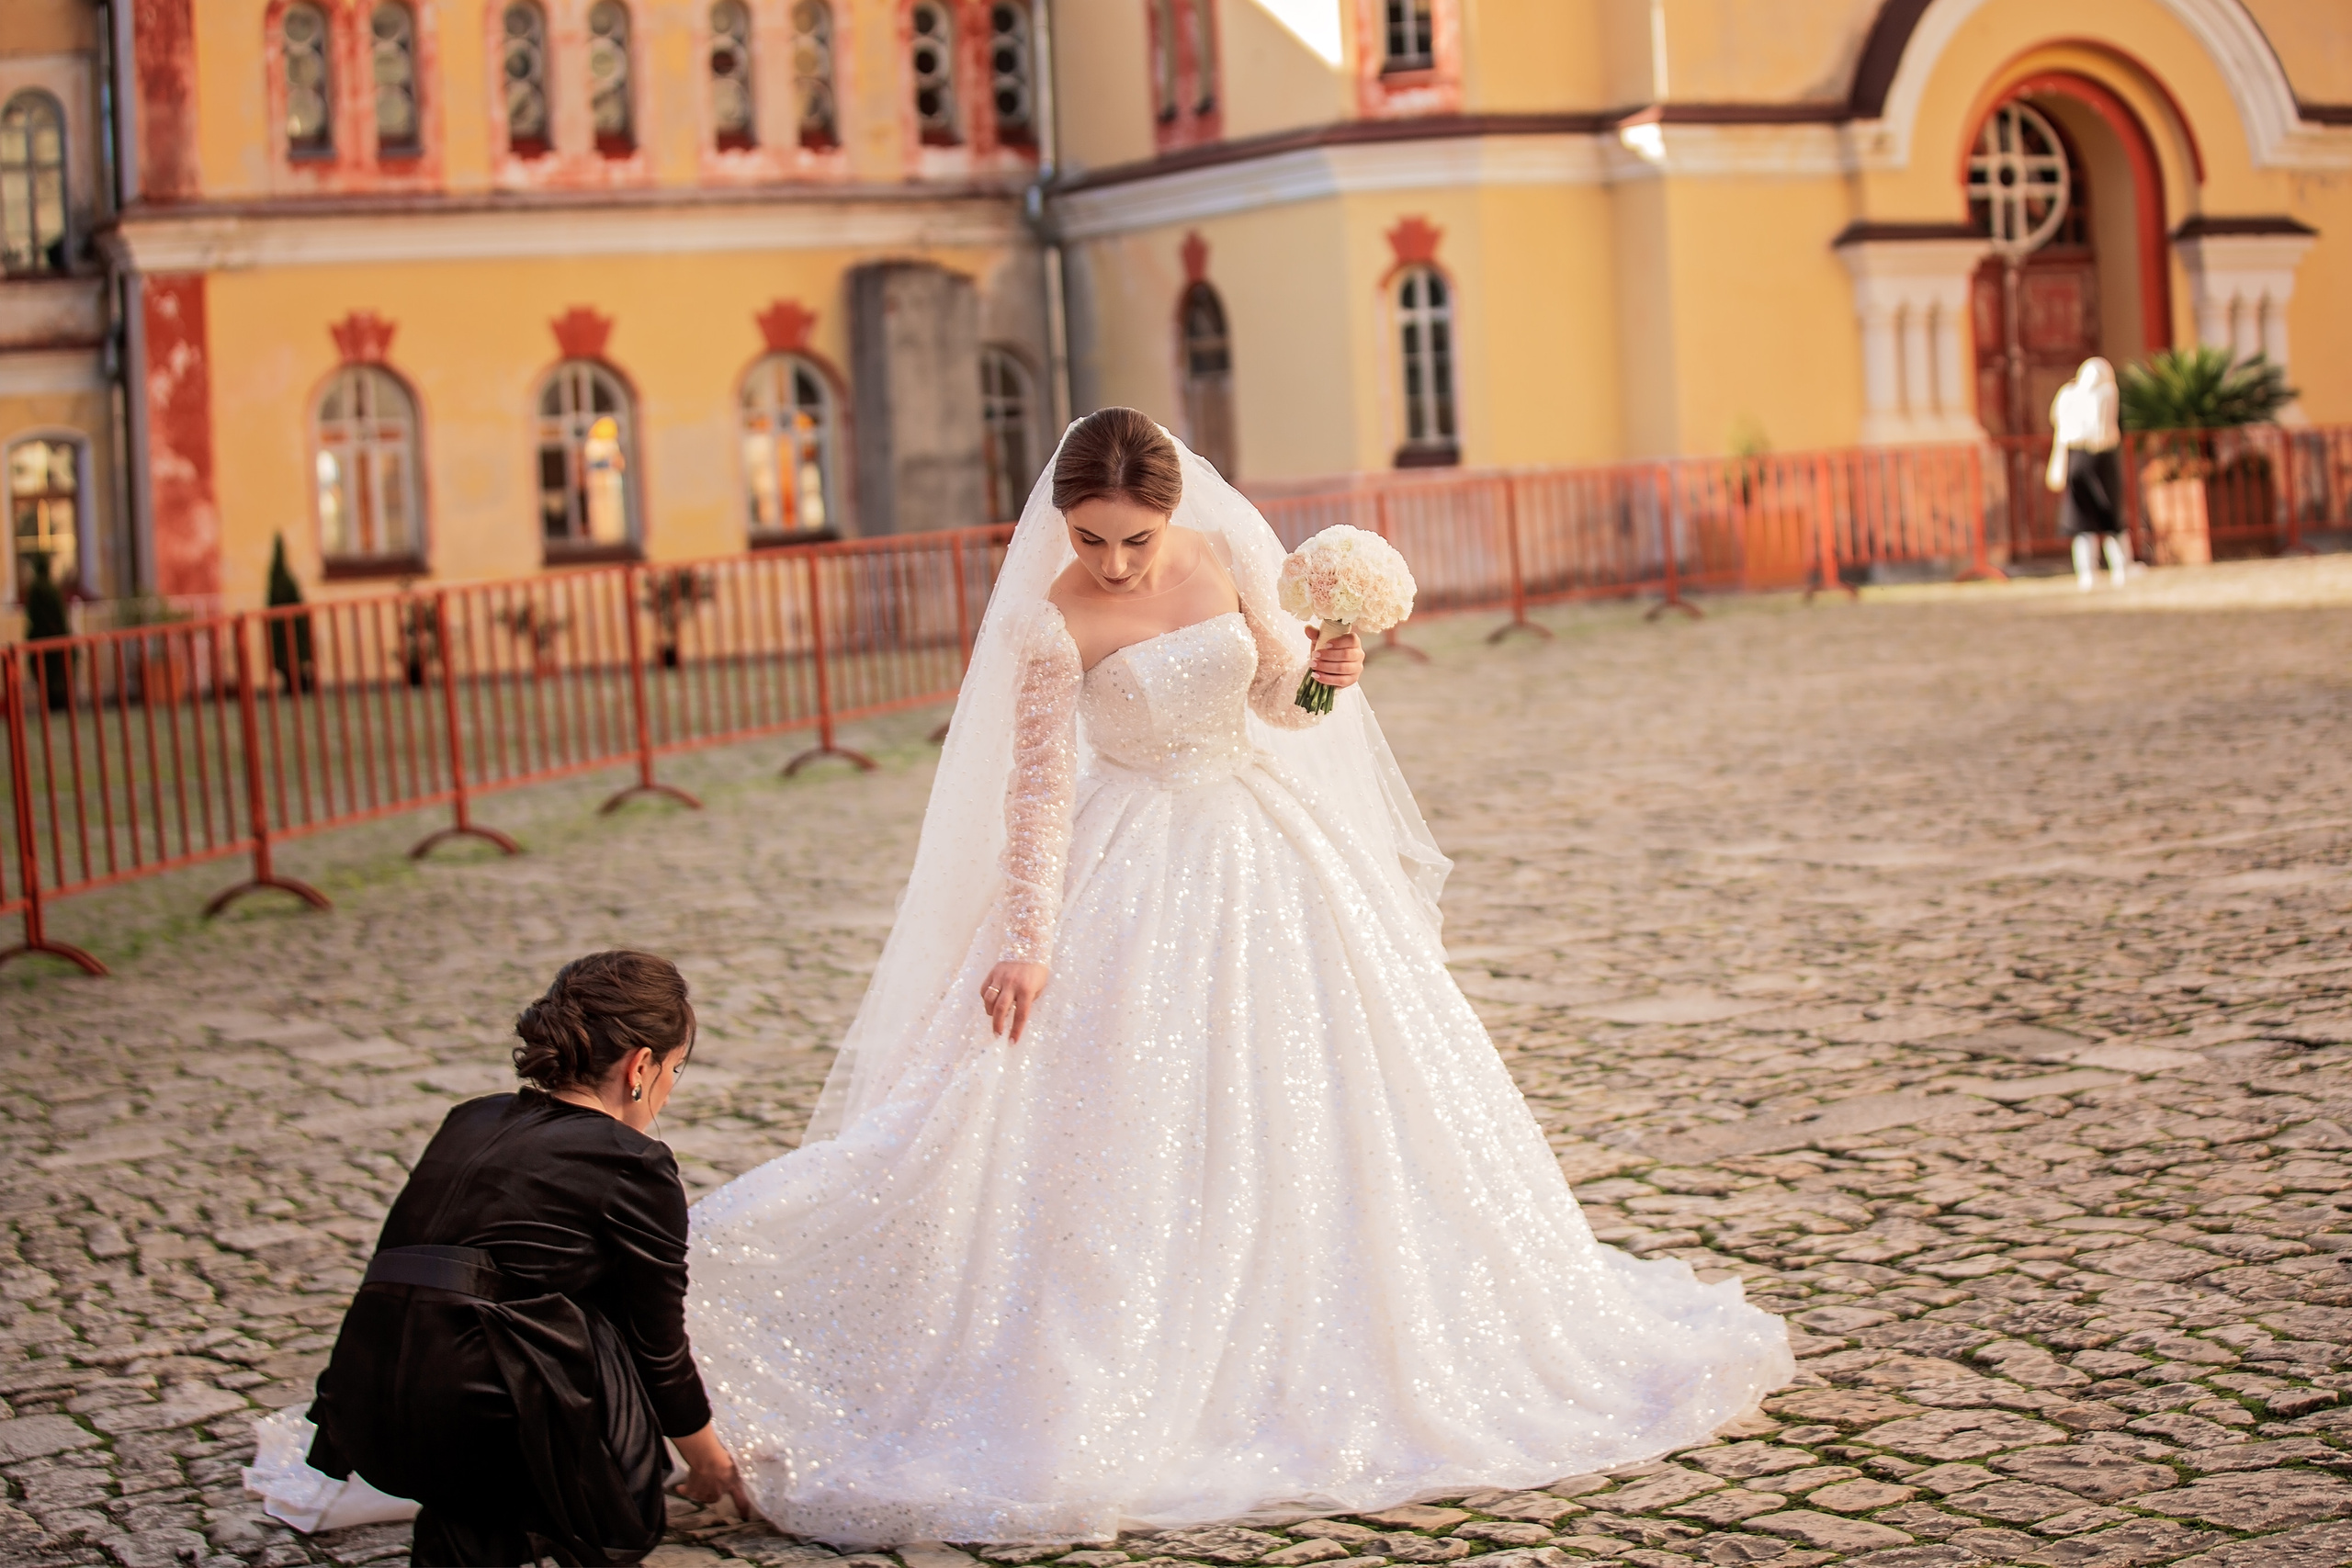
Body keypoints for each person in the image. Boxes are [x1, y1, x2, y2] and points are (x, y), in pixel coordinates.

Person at [685, 409, 1793, 1548]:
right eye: (1090, 538)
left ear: (1172, 514)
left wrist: (1328, 672)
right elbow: (1039, 792)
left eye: (1134, 538)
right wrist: (1026, 940)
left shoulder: (1221, 556)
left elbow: (1279, 703)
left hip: (1260, 837)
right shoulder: (1051, 620)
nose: (1115, 563)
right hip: (1131, 856)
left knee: (1340, 1082)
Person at [291, 951, 756, 1565]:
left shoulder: (470, 1117)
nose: (670, 1089)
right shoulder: (632, 1162)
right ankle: (531, 1508)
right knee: (605, 1321)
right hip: (478, 1423)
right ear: (640, 1065)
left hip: (365, 1409)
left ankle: (475, 1525)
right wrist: (709, 1460)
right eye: (676, 1067)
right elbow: (657, 1345)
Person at [2047, 356, 2130, 590]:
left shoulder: (2068, 395)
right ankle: (2120, 568)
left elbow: (2058, 426)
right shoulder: (2108, 393)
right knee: (2110, 517)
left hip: (2077, 459)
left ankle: (2087, 572)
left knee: (2083, 520)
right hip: (2101, 458)